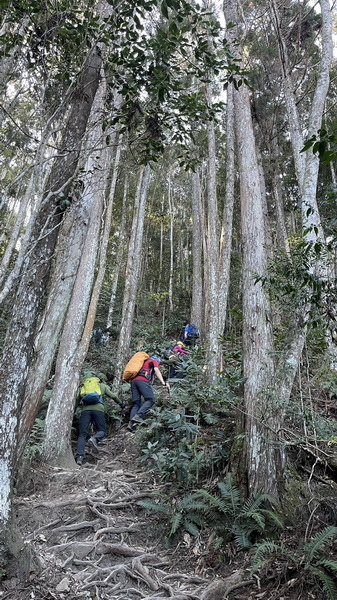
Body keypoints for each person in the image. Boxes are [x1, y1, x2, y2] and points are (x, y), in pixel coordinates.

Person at [75, 375, 122, 466]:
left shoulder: (84, 387)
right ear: (98, 381)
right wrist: (121, 404)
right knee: (102, 430)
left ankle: (79, 457)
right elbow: (113, 396)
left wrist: (73, 411)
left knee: (82, 434)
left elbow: (77, 400)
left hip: (85, 411)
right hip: (98, 410)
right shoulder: (102, 386)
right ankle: (94, 438)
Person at [128, 356, 170, 431]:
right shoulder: (153, 361)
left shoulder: (143, 365)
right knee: (151, 399)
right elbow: (156, 370)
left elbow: (151, 377)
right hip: (142, 380)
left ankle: (131, 425)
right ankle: (138, 416)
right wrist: (163, 383)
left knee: (136, 404)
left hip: (133, 381)